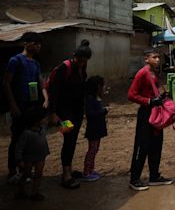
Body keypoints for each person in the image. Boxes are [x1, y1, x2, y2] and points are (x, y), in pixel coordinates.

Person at [4, 31, 48, 183]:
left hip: (32, 106)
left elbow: (41, 82)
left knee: (29, 138)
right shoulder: (15, 61)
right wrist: (13, 105)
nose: (38, 46)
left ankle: (25, 171)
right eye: (35, 43)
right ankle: (12, 170)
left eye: (39, 44)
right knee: (17, 138)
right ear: (25, 43)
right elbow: (6, 84)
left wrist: (46, 98)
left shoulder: (35, 63)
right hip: (19, 105)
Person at [48, 39, 92, 189]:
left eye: (85, 60)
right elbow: (54, 91)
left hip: (77, 111)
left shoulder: (82, 68)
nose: (82, 62)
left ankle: (69, 169)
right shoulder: (64, 68)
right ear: (75, 56)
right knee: (69, 138)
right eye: (80, 59)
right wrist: (53, 113)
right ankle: (65, 174)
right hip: (64, 113)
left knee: (72, 140)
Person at [128, 48, 173, 191]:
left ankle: (154, 176)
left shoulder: (155, 73)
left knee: (156, 144)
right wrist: (149, 101)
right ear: (146, 59)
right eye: (154, 57)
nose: (158, 60)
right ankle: (134, 179)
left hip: (157, 112)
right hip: (146, 112)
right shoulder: (142, 73)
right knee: (142, 145)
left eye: (158, 57)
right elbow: (131, 95)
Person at [14, 106, 49, 201]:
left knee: (38, 174)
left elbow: (59, 124)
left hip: (41, 156)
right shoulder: (26, 133)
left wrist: (66, 124)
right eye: (44, 118)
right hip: (28, 157)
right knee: (26, 174)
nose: (47, 119)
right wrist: (19, 159)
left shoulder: (43, 128)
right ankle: (20, 190)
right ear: (37, 121)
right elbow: (19, 147)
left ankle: (35, 192)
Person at [82, 76, 108, 182]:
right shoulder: (90, 99)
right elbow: (90, 114)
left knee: (95, 149)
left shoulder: (96, 98)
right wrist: (104, 111)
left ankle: (91, 170)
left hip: (98, 128)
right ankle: (86, 172)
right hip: (93, 129)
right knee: (92, 150)